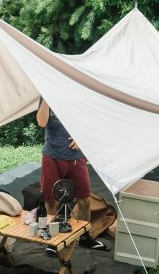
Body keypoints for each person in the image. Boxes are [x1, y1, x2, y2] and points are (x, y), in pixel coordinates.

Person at [36, 99, 109, 251]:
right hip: (52, 156)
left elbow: (91, 122)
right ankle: (53, 240)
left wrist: (81, 139)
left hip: (76, 157)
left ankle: (84, 237)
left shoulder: (74, 91)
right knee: (50, 202)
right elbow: (42, 122)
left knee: (85, 200)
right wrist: (47, 95)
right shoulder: (45, 94)